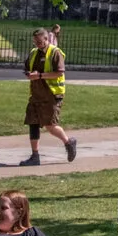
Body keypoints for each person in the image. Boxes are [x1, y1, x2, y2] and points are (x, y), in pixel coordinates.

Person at [22, 27, 77, 166]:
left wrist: (39, 75)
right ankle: (35, 156)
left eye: (40, 42)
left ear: (47, 39)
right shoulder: (34, 52)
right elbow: (27, 67)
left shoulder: (55, 53)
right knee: (32, 123)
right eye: (35, 42)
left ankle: (69, 142)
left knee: (50, 125)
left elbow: (59, 72)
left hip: (52, 94)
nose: (37, 44)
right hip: (36, 94)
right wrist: (29, 74)